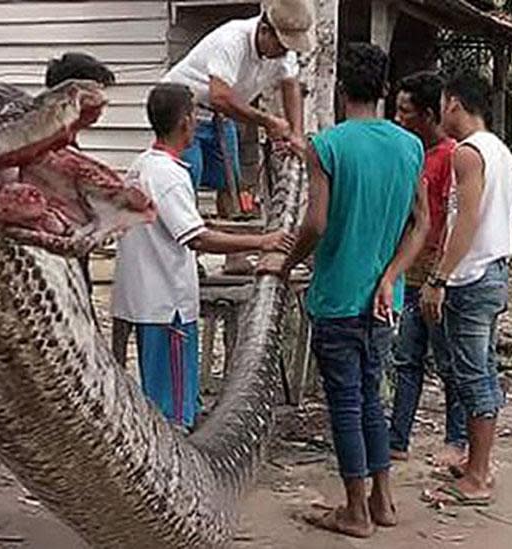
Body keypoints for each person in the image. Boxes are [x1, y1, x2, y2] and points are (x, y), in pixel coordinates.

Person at [262, 43, 429, 537]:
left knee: (346, 402)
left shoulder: (329, 145)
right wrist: (392, 276)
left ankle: (355, 510)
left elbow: (316, 221)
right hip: (383, 300)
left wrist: (288, 260)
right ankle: (383, 499)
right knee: (372, 399)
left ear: (340, 90)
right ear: (384, 91)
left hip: (337, 296)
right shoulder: (409, 145)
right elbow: (422, 224)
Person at [111, 83, 293, 430]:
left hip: (145, 298)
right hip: (168, 303)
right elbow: (197, 239)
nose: (197, 124)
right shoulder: (168, 176)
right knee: (174, 410)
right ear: (186, 122)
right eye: (195, 117)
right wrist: (262, 241)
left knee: (161, 395)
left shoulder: (142, 166)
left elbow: (179, 225)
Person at [420, 71, 512, 507]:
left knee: (473, 374)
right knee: (482, 368)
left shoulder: (468, 153)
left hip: (473, 275)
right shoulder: (500, 151)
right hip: (493, 269)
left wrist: (439, 277)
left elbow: (467, 221)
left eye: (443, 103)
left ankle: (478, 475)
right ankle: (477, 462)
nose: (441, 111)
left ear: (454, 103)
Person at [162, 0, 313, 220]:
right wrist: (268, 122)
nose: (284, 53)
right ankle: (185, 239)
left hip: (221, 115)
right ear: (264, 31)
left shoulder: (283, 52)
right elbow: (220, 96)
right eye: (281, 45)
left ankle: (230, 235)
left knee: (229, 181)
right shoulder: (232, 40)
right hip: (183, 112)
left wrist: (296, 134)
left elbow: (290, 86)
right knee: (185, 178)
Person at [388, 71, 468, 466]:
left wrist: (439, 276)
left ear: (426, 114)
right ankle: (397, 438)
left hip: (437, 277)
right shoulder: (410, 151)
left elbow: (452, 219)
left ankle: (457, 439)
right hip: (410, 272)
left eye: (405, 110)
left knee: (447, 361)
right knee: (407, 359)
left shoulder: (451, 157)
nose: (398, 117)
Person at [43, 52, 115, 316]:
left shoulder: (68, 141)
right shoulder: (45, 145)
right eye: (96, 94)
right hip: (55, 267)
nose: (103, 104)